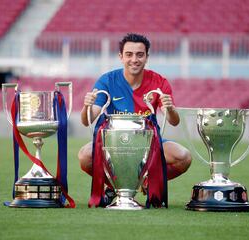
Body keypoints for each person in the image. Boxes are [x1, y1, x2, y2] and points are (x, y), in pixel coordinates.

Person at [78, 33, 192, 205]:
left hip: (149, 143)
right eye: (129, 54)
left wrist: (170, 108)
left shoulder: (159, 81)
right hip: (114, 143)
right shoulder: (107, 80)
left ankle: (147, 184)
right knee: (85, 157)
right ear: (121, 57)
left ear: (147, 57)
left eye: (140, 54)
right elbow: (87, 120)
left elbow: (174, 121)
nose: (134, 59)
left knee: (184, 157)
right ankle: (116, 187)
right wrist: (87, 106)